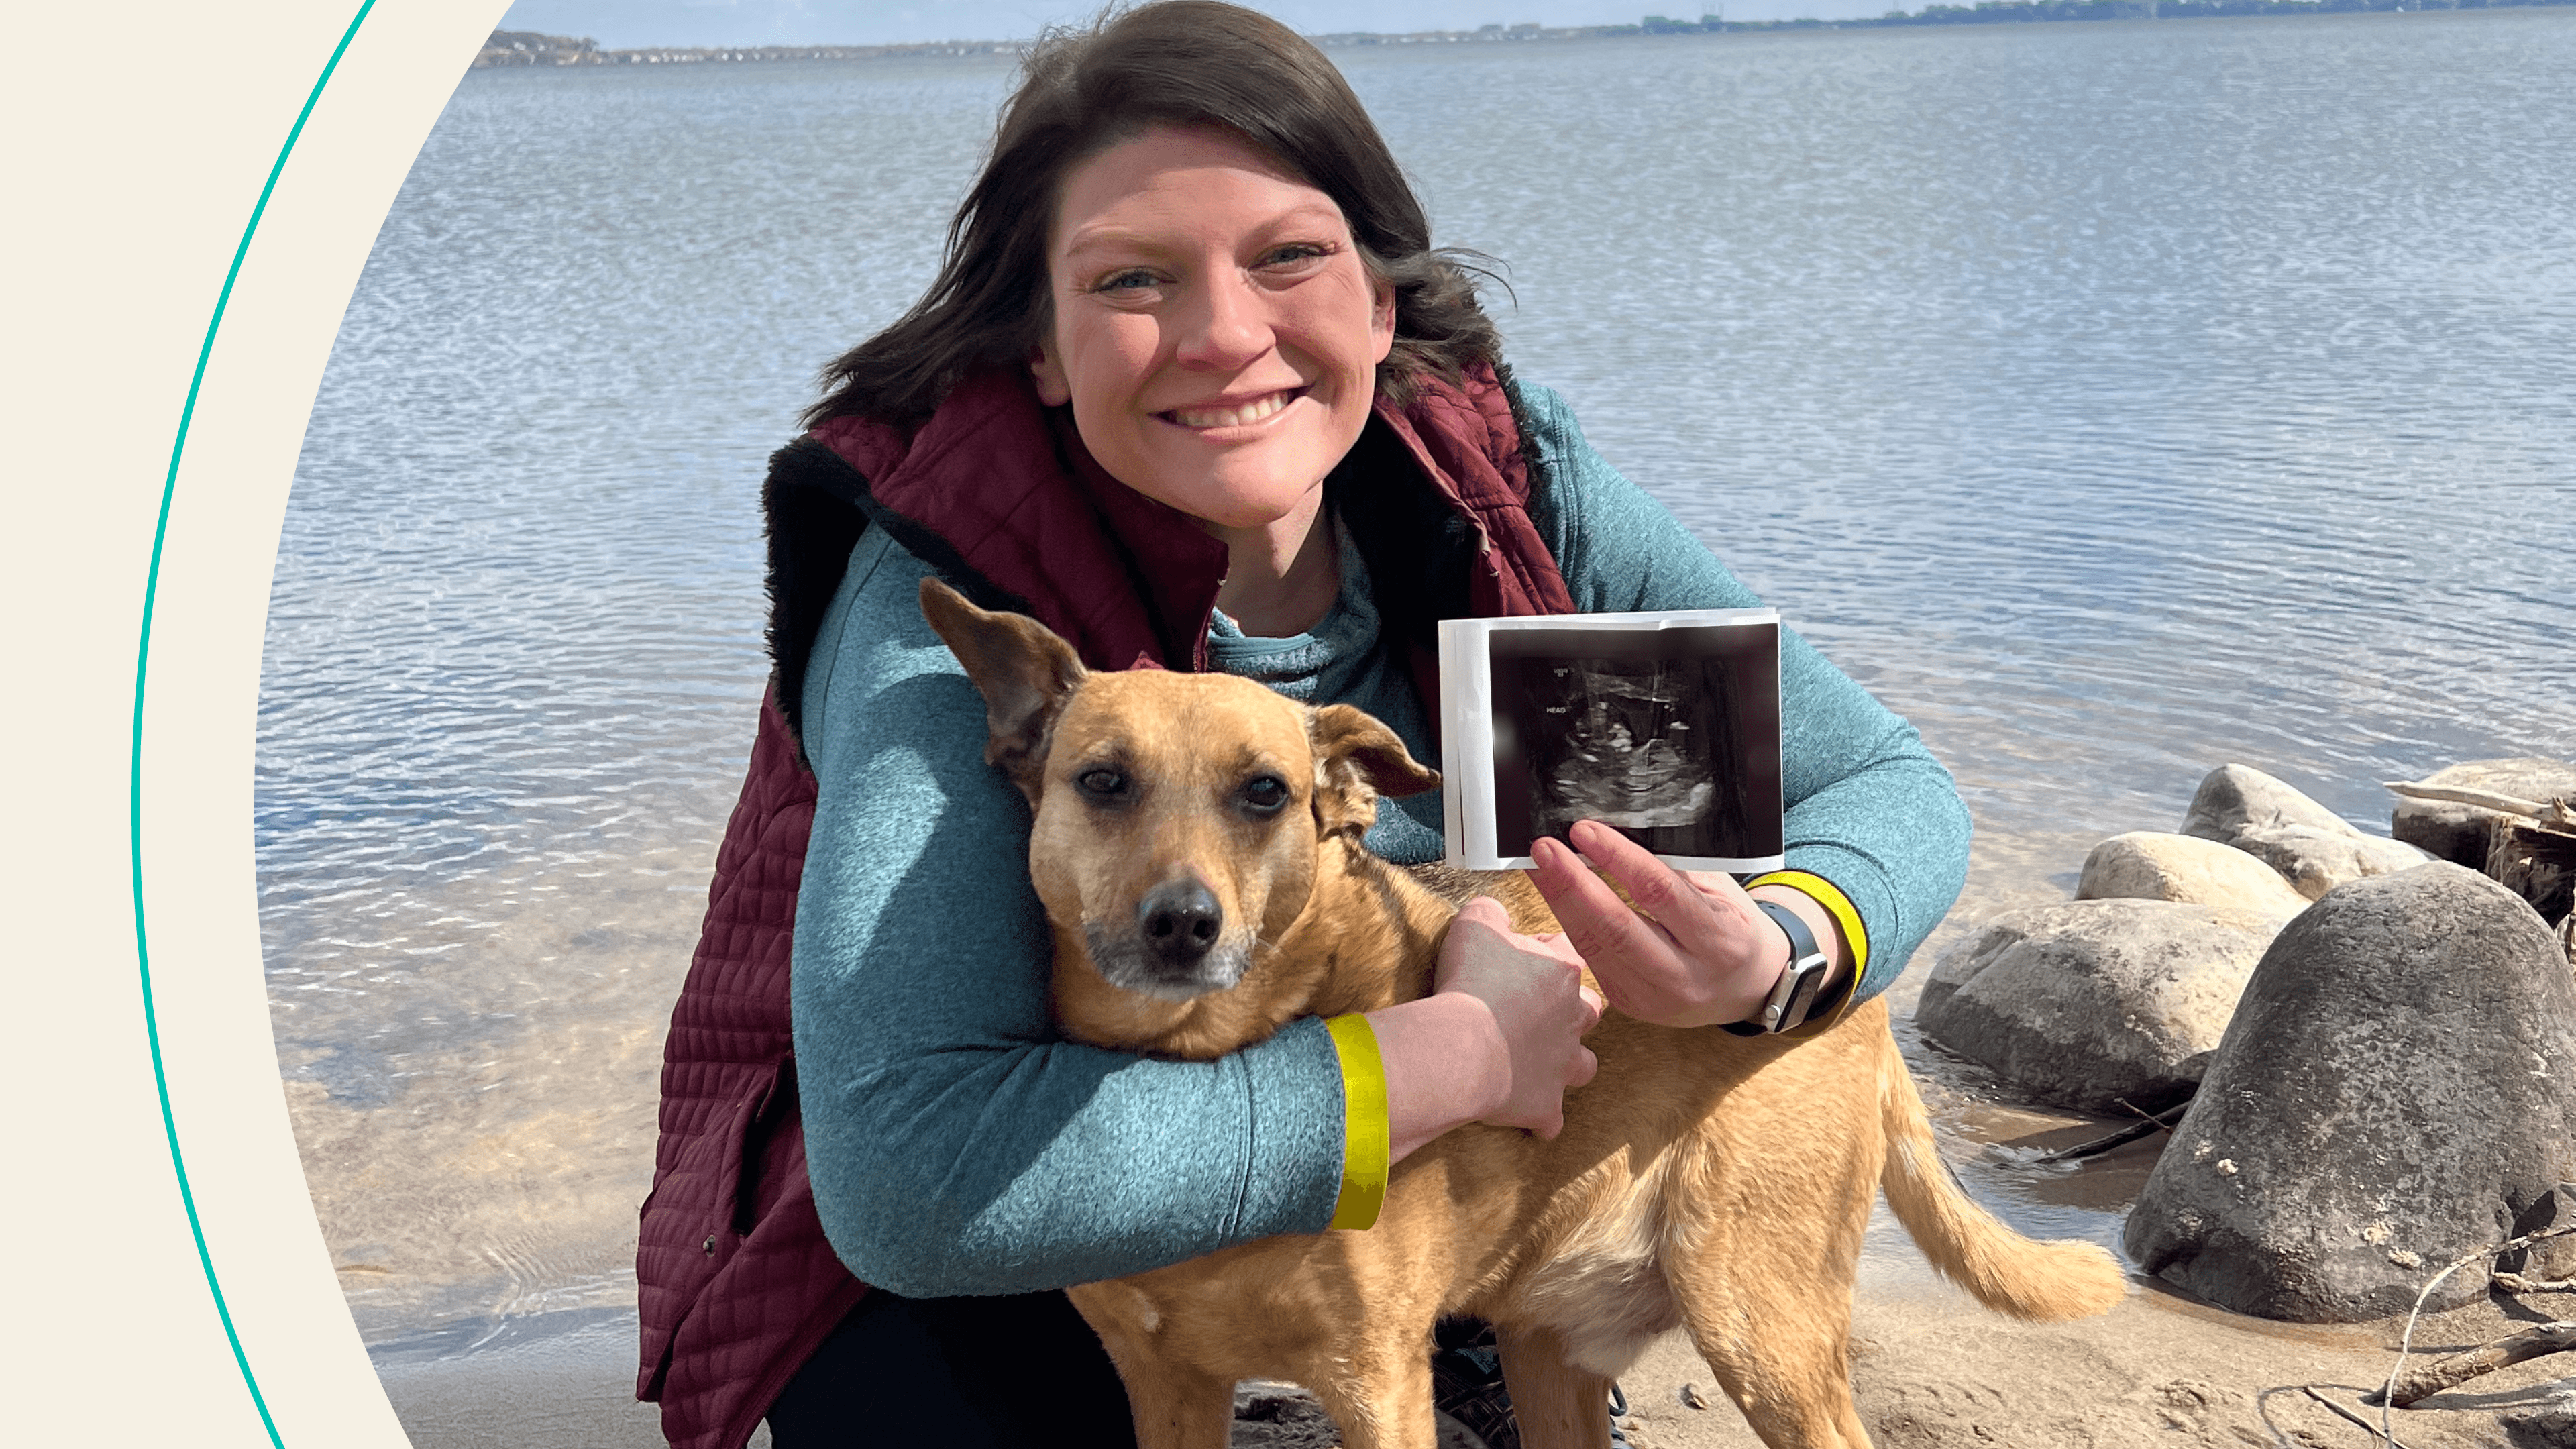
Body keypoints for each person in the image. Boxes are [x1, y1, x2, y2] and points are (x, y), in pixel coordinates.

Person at [633, 5, 1972, 1447]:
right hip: (958, 1248)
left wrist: (1780, 948)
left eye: (1288, 257)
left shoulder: (1503, 495)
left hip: (1403, 1190)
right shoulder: (947, 590)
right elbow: (916, 1188)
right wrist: (1449, 1061)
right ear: (1040, 342)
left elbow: (1883, 787)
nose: (1223, 336)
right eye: (1134, 278)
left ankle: (1450, 1323)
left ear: (1382, 303)